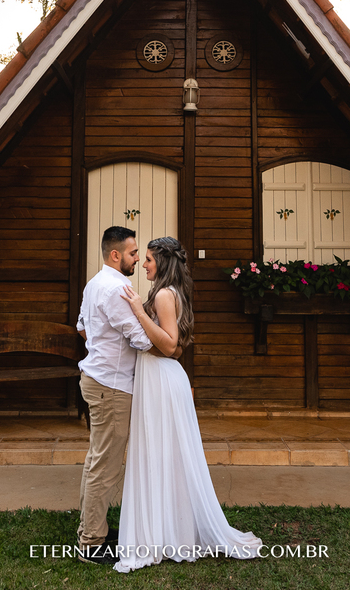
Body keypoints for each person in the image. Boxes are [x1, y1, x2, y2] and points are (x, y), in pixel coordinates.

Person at [113, 236, 263, 572]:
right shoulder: (167, 293)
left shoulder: (165, 295)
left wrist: (137, 310)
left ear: (163, 262)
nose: (144, 264)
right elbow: (175, 347)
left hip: (162, 379)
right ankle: (166, 528)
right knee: (163, 455)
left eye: (149, 259)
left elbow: (169, 346)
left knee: (165, 454)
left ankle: (169, 532)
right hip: (158, 377)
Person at [74, 226, 181, 565]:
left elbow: (81, 326)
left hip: (97, 379)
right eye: (135, 253)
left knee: (97, 459)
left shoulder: (95, 283)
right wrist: (165, 343)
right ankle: (91, 541)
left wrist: (102, 342)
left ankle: (94, 529)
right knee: (104, 465)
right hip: (112, 386)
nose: (138, 259)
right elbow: (144, 340)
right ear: (116, 255)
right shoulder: (117, 288)